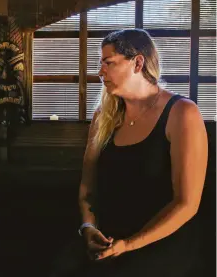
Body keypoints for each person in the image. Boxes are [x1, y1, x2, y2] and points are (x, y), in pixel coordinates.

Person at [49, 29, 208, 277]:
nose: (100, 72)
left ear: (138, 62)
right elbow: (87, 189)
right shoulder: (103, 116)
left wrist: (130, 245)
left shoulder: (182, 113)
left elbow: (187, 204)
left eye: (108, 63)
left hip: (161, 241)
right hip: (110, 238)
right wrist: (88, 227)